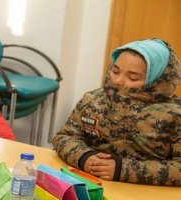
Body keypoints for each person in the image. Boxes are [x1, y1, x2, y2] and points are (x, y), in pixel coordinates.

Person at [53, 38, 180, 186]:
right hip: (93, 185)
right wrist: (85, 157)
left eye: (133, 77)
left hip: (147, 196)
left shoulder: (174, 113)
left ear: (156, 80)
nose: (118, 80)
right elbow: (64, 137)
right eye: (115, 71)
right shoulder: (93, 99)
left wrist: (122, 169)